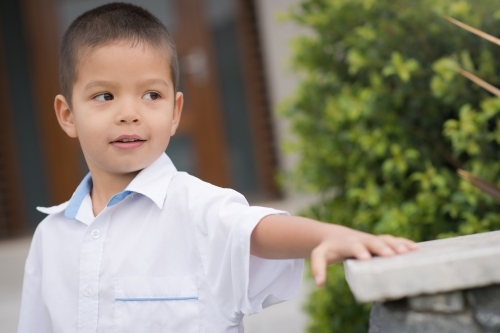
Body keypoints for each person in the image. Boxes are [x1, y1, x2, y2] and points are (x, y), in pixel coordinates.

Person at [18, 3, 418, 333]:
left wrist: (327, 236)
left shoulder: (198, 208)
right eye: (104, 95)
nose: (129, 114)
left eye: (151, 95)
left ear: (175, 112)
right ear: (67, 115)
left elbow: (256, 231)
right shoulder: (51, 239)